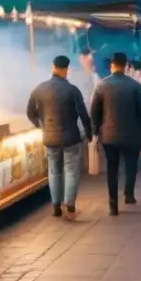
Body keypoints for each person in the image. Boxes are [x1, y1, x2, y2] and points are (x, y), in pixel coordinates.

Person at [27, 55, 93, 218]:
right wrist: (89, 134)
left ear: (53, 67)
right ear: (66, 69)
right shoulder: (72, 90)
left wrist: (40, 125)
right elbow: (84, 115)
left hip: (49, 138)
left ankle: (56, 206)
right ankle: (70, 205)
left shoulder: (39, 88)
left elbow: (30, 112)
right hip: (71, 137)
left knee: (54, 171)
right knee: (71, 171)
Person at [91, 52, 141, 216]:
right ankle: (129, 194)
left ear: (112, 66)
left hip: (109, 135)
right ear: (126, 65)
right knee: (131, 164)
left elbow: (95, 111)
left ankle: (113, 204)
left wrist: (94, 131)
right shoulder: (135, 86)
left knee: (112, 168)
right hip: (132, 134)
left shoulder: (102, 85)